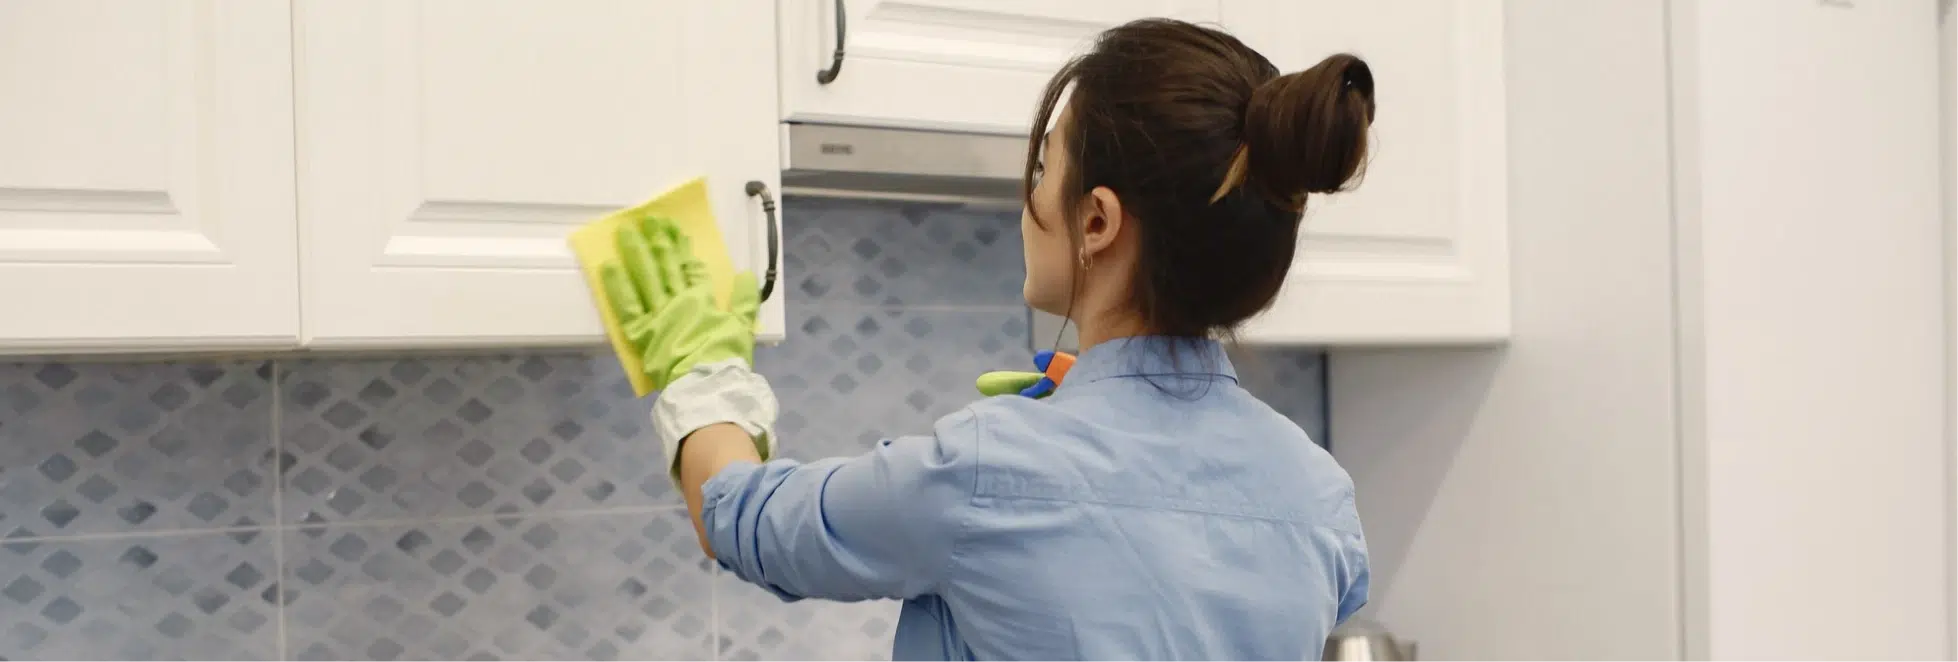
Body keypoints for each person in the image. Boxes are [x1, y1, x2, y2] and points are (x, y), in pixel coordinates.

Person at [601, 17, 1374, 661]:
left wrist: (701, 366)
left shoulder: (982, 472)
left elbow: (746, 520)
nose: (1030, 196)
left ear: (1096, 220)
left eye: (1043, 166)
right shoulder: (1321, 500)